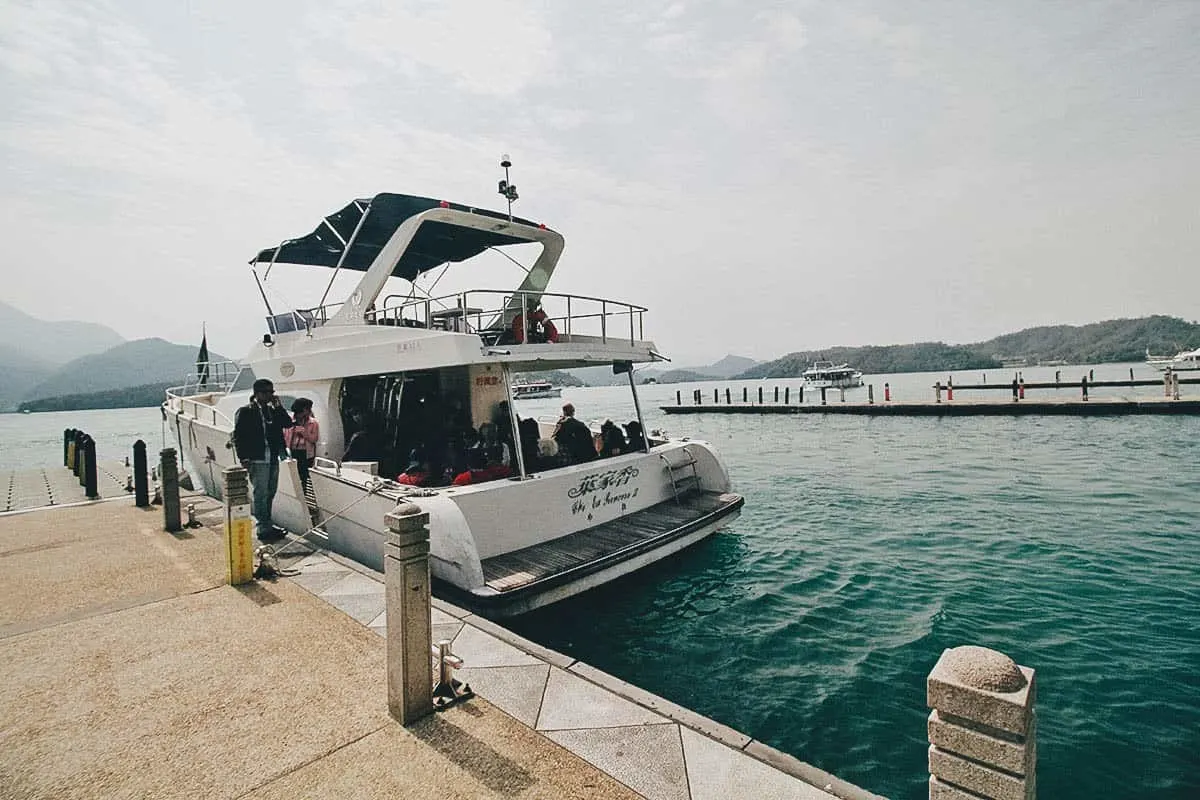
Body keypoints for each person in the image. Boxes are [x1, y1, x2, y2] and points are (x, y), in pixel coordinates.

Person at [233, 378, 294, 542]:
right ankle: (262, 526)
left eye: (271, 392)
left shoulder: (272, 411)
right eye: (266, 392)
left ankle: (267, 523)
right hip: (257, 457)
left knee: (271, 491)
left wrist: (279, 406)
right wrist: (243, 457)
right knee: (260, 492)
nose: (269, 395)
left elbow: (288, 424)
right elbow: (238, 436)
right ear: (257, 393)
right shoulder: (245, 411)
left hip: (273, 456)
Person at [285, 398, 319, 488]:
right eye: (308, 409)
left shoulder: (313, 423)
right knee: (293, 475)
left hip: (305, 453)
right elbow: (285, 436)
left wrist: (304, 433)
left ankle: (304, 493)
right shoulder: (289, 420)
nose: (309, 411)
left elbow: (314, 439)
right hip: (292, 451)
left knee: (304, 476)